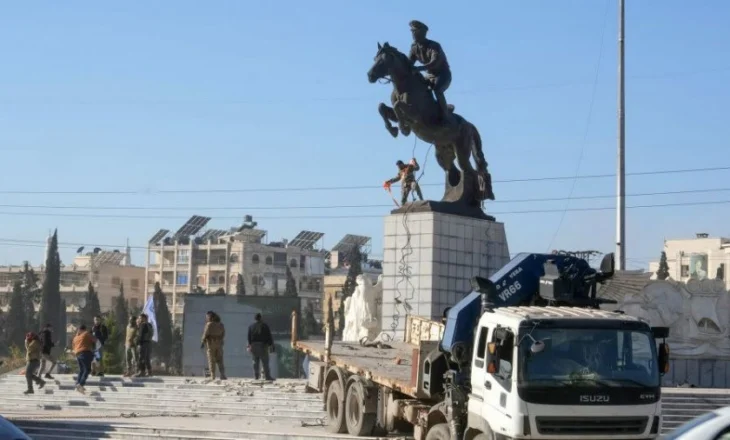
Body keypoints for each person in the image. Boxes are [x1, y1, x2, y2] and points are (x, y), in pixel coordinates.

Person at [408, 20, 452, 122]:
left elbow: (434, 62)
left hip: (442, 74)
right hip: (429, 76)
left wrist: (420, 68)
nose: (413, 34)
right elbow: (409, 63)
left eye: (415, 31)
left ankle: (445, 115)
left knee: (437, 90)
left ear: (422, 33)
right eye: (412, 32)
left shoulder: (434, 46)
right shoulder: (414, 47)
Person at [247, 313, 275, 381]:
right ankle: (267, 376)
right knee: (265, 362)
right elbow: (269, 336)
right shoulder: (265, 326)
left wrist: (249, 345)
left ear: (255, 319)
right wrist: (271, 345)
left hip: (254, 345)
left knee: (255, 362)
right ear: (261, 318)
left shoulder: (251, 326)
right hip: (263, 346)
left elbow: (249, 337)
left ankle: (256, 376)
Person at [201, 311, 227, 380]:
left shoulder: (209, 324)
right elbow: (223, 334)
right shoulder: (221, 325)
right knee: (220, 360)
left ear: (210, 317)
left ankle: (212, 375)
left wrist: (202, 342)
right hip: (219, 344)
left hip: (210, 344)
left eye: (207, 317)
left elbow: (205, 334)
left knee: (211, 360)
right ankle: (222, 374)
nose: (206, 318)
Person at [72, 325, 96, 394]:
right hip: (85, 353)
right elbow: (95, 340)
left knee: (82, 370)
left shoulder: (75, 337)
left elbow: (73, 347)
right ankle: (81, 384)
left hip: (78, 354)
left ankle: (77, 384)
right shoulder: (86, 333)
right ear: (84, 329)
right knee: (87, 369)